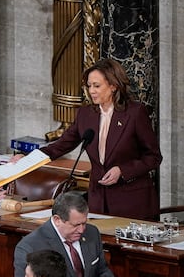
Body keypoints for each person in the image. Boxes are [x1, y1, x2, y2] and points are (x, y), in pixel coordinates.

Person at [37, 58, 162, 219]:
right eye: (89, 86)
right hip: (98, 202)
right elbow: (60, 146)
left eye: (97, 86)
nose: (91, 91)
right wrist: (27, 159)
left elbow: (153, 156)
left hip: (130, 202)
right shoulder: (85, 114)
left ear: (113, 86)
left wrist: (122, 170)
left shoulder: (135, 113)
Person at [14, 192, 116, 277]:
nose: (82, 230)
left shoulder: (92, 233)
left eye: (84, 223)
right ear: (57, 220)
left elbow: (102, 268)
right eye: (76, 225)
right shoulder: (30, 246)